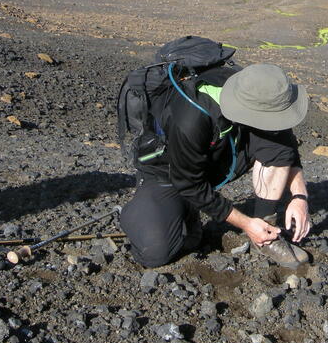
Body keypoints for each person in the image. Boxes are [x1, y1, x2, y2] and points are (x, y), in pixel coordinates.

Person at [120, 61, 312, 269]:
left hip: (215, 155)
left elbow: (285, 145)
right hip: (166, 171)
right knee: (156, 252)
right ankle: (143, 210)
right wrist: (246, 224)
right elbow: (188, 183)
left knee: (275, 144)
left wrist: (299, 197)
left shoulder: (260, 94)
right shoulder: (189, 118)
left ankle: (265, 234)